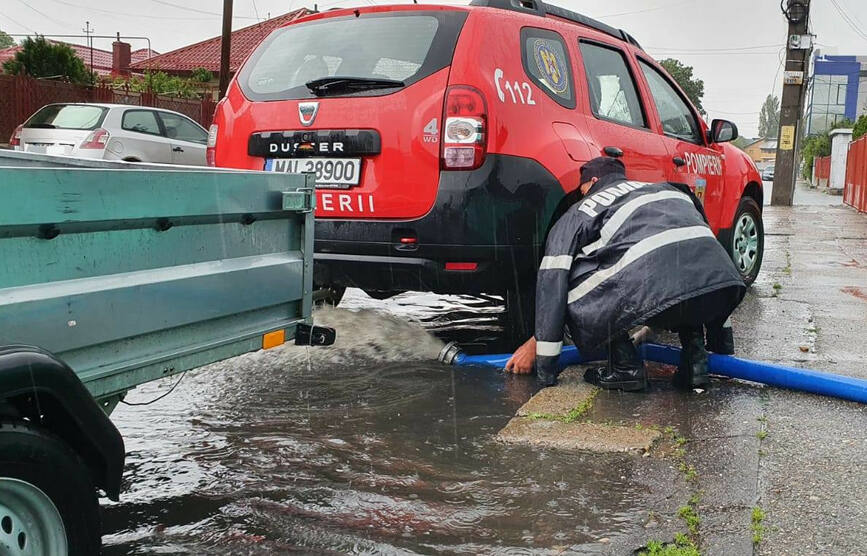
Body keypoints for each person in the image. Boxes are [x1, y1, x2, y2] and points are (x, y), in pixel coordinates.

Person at [506, 156, 745, 390]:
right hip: (722, 282)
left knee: (573, 272)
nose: (581, 193)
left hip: (664, 284)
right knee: (686, 264)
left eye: (582, 188)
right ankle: (696, 365)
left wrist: (543, 363)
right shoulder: (669, 190)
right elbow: (693, 270)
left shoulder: (581, 210)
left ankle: (624, 367)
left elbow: (553, 284)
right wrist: (721, 345)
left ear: (592, 182)